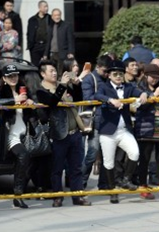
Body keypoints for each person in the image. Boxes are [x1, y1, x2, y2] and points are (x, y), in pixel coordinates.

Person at [37, 60, 91, 207]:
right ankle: (58, 196)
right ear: (43, 74)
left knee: (76, 167)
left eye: (55, 71)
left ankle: (77, 195)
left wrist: (76, 84)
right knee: (57, 168)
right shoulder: (41, 91)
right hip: (58, 134)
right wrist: (63, 85)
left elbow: (79, 99)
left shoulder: (64, 87)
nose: (54, 73)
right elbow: (52, 103)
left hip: (75, 132)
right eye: (51, 71)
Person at [95, 60, 148, 203]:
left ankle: (126, 179)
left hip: (124, 130)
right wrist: (110, 100)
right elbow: (97, 96)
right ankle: (113, 190)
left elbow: (139, 91)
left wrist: (143, 94)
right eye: (115, 74)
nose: (118, 76)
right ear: (109, 76)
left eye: (120, 74)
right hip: (108, 131)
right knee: (109, 162)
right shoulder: (104, 87)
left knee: (135, 152)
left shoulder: (128, 86)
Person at [0, 65, 36, 208]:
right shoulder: (0, 91)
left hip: (25, 133)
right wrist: (15, 100)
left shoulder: (23, 90)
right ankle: (18, 195)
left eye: (15, 75)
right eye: (10, 76)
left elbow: (32, 112)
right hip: (10, 134)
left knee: (29, 160)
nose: (14, 78)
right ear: (4, 78)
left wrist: (31, 103)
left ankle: (19, 194)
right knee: (23, 155)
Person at [135, 64, 159, 200]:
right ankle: (143, 186)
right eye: (152, 77)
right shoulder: (139, 88)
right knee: (144, 159)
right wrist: (153, 95)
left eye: (157, 77)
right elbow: (138, 107)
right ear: (146, 75)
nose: (154, 80)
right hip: (145, 128)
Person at [81, 55, 112, 189]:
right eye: (105, 71)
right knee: (92, 153)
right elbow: (88, 98)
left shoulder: (109, 79)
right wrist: (106, 98)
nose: (106, 74)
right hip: (95, 120)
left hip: (109, 120)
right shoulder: (89, 79)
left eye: (108, 71)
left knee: (108, 154)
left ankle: (104, 184)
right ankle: (81, 181)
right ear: (98, 67)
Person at [44, 8, 75, 76]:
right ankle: (56, 85)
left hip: (63, 53)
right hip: (52, 54)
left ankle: (69, 85)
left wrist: (71, 52)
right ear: (52, 16)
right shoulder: (50, 27)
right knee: (54, 72)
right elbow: (48, 41)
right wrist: (45, 54)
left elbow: (70, 40)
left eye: (58, 15)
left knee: (66, 71)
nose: (57, 17)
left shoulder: (66, 25)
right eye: (55, 15)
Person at [27, 0, 50, 65]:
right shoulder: (32, 19)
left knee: (46, 65)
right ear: (40, 7)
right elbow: (29, 33)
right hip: (35, 46)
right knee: (35, 66)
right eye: (45, 6)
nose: (47, 8)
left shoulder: (50, 18)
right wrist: (30, 45)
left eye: (47, 6)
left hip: (46, 46)